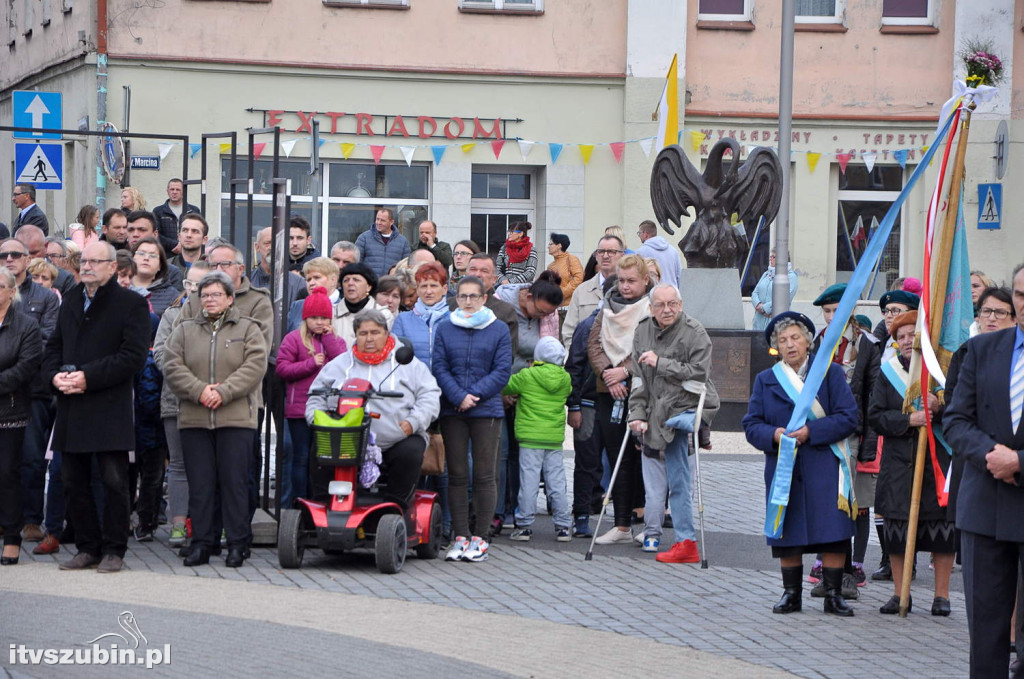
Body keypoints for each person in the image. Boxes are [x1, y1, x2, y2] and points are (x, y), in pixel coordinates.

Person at [43, 241, 151, 573]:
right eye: (83, 261)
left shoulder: (130, 304)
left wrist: (87, 377)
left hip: (108, 404)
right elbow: (54, 347)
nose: (86, 266)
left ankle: (114, 549)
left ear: (112, 267)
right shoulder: (72, 299)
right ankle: (87, 547)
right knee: (72, 479)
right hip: (72, 404)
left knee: (114, 480)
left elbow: (132, 357)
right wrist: (55, 379)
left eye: (94, 261)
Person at [742, 311, 859, 616]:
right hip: (785, 468)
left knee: (832, 531)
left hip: (824, 463)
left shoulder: (830, 374)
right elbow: (752, 424)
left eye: (795, 337)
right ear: (776, 348)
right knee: (788, 532)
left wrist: (812, 431)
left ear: (808, 341)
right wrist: (775, 435)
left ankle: (833, 594)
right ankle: (791, 594)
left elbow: (849, 417)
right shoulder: (766, 380)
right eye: (782, 340)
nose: (790, 344)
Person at [944, 263, 1024, 679]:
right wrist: (992, 452)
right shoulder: (981, 350)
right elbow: (956, 420)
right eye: (1020, 295)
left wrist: (1020, 462)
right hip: (985, 508)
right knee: (987, 637)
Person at [163, 271, 268, 568]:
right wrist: (199, 391)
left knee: (234, 483)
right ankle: (202, 543)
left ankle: (237, 543)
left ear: (230, 298)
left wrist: (224, 391)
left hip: (235, 418)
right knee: (201, 483)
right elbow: (172, 365)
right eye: (204, 295)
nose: (209, 299)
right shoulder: (183, 329)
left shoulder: (248, 328)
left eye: (216, 294)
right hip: (195, 418)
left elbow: (255, 366)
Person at [306, 310, 441, 518]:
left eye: (375, 333)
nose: (369, 338)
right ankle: (324, 507)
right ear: (355, 336)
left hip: (395, 437)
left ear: (386, 333)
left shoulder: (408, 364)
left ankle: (393, 510)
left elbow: (430, 396)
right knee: (318, 448)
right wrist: (317, 420)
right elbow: (316, 395)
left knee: (411, 451)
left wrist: (412, 423)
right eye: (363, 333)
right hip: (347, 439)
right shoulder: (340, 364)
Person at [868, 310, 955, 616]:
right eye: (901, 337)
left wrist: (940, 405)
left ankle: (941, 595)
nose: (907, 341)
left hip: (936, 460)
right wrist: (910, 419)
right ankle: (899, 592)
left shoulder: (941, 372)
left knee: (942, 531)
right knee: (896, 530)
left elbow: (961, 407)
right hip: (898, 463)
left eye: (912, 335)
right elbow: (876, 416)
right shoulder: (887, 373)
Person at [628, 284, 719, 561]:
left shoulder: (695, 332)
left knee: (679, 483)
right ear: (651, 308)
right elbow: (638, 378)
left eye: (673, 304)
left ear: (680, 304)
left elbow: (700, 374)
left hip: (683, 410)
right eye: (660, 305)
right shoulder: (642, 330)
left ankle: (686, 542)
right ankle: (660, 536)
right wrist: (636, 414)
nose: (667, 310)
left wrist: (661, 363)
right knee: (654, 483)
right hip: (653, 413)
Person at [432, 275, 512, 561]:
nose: (467, 302)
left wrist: (473, 395)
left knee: (484, 474)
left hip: (486, 410)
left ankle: (480, 537)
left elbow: (502, 370)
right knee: (456, 474)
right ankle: (460, 536)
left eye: (473, 297)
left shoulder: (498, 329)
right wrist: (457, 396)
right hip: (453, 409)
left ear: (484, 298)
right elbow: (439, 366)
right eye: (462, 296)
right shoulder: (444, 327)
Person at [590, 255, 652, 545]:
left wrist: (624, 371)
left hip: (641, 392)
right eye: (622, 280)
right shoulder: (607, 305)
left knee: (647, 459)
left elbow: (650, 347)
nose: (625, 287)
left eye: (631, 281)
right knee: (618, 459)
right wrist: (607, 373)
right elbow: (593, 342)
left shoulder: (652, 308)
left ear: (645, 281)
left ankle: (649, 524)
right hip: (609, 391)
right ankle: (621, 524)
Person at [2, 238, 58, 545]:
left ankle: (31, 518)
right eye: (3, 254)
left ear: (28, 258)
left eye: (16, 254)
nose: (9, 258)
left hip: (32, 388)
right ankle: (5, 518)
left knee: (32, 457)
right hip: (2, 391)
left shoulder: (45, 297)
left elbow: (46, 339)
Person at [153, 261, 210, 549]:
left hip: (211, 402)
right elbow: (161, 354)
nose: (195, 290)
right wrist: (189, 379)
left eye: (201, 285)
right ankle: (177, 523)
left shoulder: (220, 317)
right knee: (178, 465)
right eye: (190, 284)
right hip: (175, 400)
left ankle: (206, 523)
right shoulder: (171, 314)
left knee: (208, 465)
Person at [275, 287, 346, 507]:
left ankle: (320, 501)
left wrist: (329, 339)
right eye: (314, 317)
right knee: (301, 458)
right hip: (298, 409)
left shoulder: (334, 339)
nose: (319, 322)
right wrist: (309, 364)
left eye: (324, 317)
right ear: (306, 318)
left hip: (327, 410)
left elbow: (344, 364)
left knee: (322, 459)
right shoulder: (294, 339)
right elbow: (282, 369)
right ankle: (300, 503)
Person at [502, 336, 573, 542]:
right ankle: (562, 527)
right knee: (557, 482)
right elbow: (568, 392)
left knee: (529, 483)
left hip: (530, 439)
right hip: (553, 439)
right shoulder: (564, 378)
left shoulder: (527, 376)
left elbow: (505, 386)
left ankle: (524, 525)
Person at [0, 267, 43, 566]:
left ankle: (12, 539)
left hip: (9, 410)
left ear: (11, 291)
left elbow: (27, 367)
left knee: (7, 473)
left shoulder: (26, 325)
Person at [561, 236, 624, 347]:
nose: (605, 256)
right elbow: (569, 331)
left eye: (611, 252)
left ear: (622, 256)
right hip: (586, 359)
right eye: (601, 251)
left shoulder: (629, 289)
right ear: (596, 256)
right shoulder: (582, 291)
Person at [391, 262, 449, 369]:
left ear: (444, 289)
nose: (428, 291)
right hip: (413, 382)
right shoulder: (403, 320)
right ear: (417, 289)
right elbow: (395, 358)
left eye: (433, 286)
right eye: (423, 286)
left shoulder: (455, 319)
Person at [333, 261, 393, 348]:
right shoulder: (331, 313)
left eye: (356, 280)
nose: (350, 283)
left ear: (369, 286)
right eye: (346, 280)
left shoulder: (383, 315)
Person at [250, 226, 306, 311]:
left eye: (277, 243)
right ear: (257, 247)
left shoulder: (298, 283)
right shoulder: (246, 280)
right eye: (267, 243)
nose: (272, 247)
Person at [287, 257, 340, 333]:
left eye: (317, 277)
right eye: (308, 279)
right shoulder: (297, 306)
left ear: (333, 280)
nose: (311, 283)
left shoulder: (344, 308)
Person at [750, 249, 798, 332]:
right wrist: (757, 304)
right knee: (756, 344)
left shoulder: (791, 277)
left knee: (772, 344)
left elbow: (784, 298)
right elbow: (755, 292)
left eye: (773, 257)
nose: (770, 259)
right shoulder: (766, 274)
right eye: (770, 257)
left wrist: (764, 308)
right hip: (759, 320)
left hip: (775, 321)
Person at [355, 208, 411, 278]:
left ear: (391, 222)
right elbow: (356, 262)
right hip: (370, 284)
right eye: (377, 219)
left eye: (383, 220)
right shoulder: (364, 238)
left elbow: (405, 265)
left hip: (392, 285)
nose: (379, 223)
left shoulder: (403, 242)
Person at [131, 237, 179, 317]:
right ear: (132, 258)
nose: (146, 258)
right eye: (141, 253)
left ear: (160, 265)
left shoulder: (172, 296)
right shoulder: (118, 287)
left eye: (152, 256)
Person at [152, 178, 200, 254]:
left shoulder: (193, 211)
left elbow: (199, 231)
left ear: (183, 192)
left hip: (189, 252)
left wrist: (184, 245)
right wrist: (175, 244)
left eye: (178, 190)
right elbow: (156, 234)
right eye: (172, 189)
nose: (174, 192)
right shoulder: (158, 211)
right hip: (165, 254)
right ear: (167, 191)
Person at [636, 220, 682, 289]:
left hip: (654, 294)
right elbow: (679, 275)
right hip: (672, 293)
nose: (639, 236)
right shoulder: (673, 250)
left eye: (639, 233)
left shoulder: (640, 252)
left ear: (645, 234)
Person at [546, 233, 583, 305]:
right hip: (554, 306)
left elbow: (579, 279)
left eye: (551, 244)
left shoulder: (571, 259)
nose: (548, 247)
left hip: (570, 305)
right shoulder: (550, 266)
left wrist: (562, 292)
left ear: (559, 246)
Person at [496, 221, 537, 286]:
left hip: (522, 288)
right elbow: (497, 268)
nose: (509, 234)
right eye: (508, 232)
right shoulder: (504, 248)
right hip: (504, 288)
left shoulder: (531, 249)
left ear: (520, 234)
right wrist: (503, 280)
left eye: (512, 232)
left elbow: (531, 272)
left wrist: (511, 282)